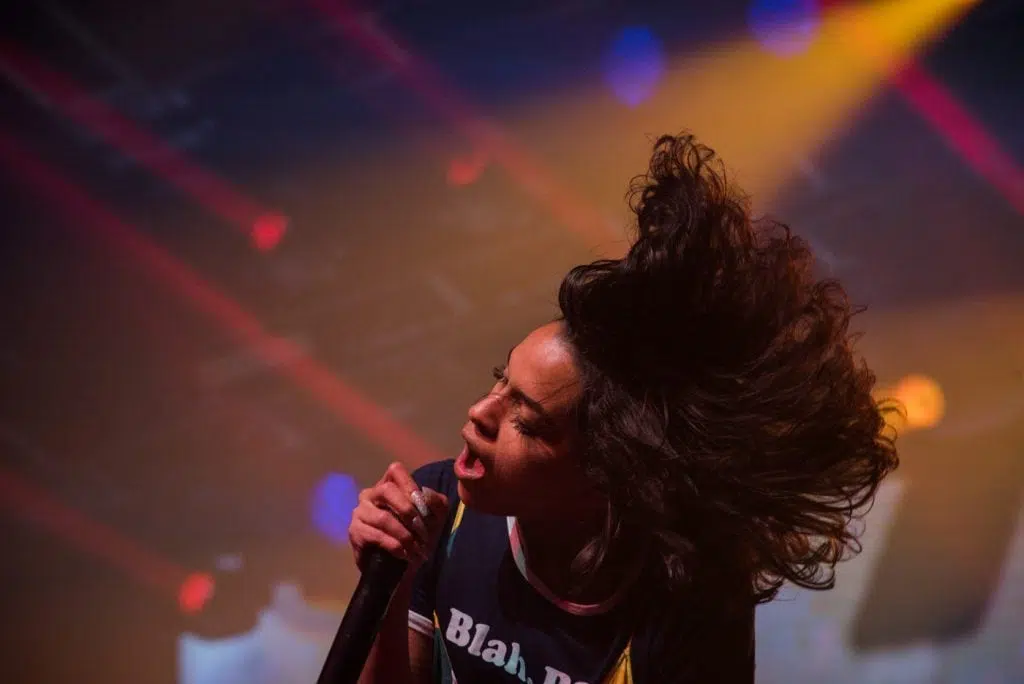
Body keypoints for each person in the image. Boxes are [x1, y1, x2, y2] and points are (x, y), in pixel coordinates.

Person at [347, 133, 900, 683]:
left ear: (605, 468)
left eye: (527, 419)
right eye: (499, 382)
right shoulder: (439, 512)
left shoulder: (687, 599)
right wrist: (389, 587)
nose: (478, 414)